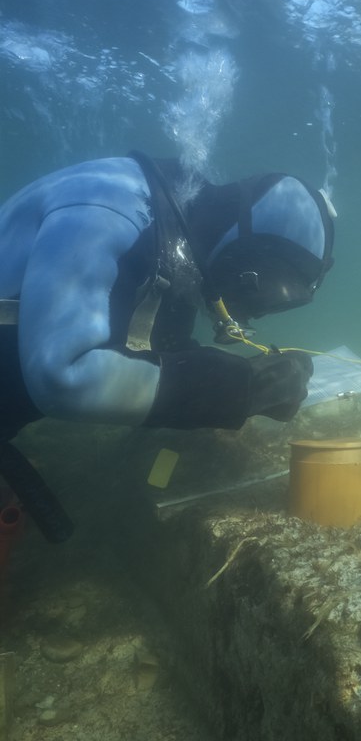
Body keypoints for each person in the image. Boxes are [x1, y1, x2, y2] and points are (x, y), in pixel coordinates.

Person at [0, 151, 335, 540]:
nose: (250, 317)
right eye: (255, 296)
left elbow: (160, 353)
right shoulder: (106, 209)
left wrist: (250, 382)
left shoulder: (176, 239)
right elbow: (63, 376)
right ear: (238, 258)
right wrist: (245, 389)